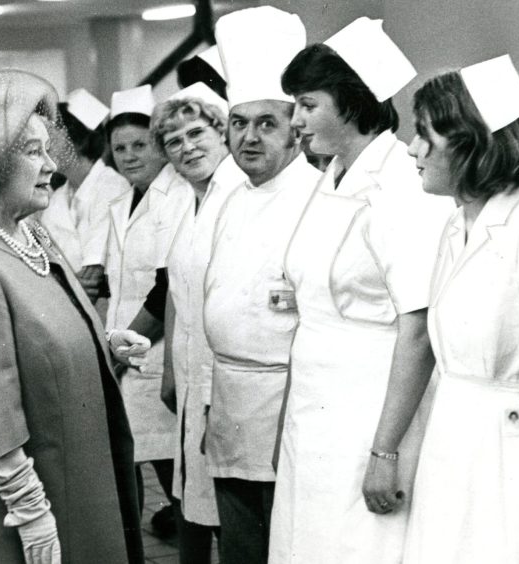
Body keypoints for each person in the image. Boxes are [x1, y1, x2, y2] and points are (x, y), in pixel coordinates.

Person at [0, 69, 145, 564]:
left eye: (48, 148)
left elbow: (40, 342)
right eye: (32, 151)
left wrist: (102, 349)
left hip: (70, 476)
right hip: (21, 510)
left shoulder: (30, 234)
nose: (51, 164)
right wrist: (31, 515)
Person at [268, 19, 452, 564]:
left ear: (352, 102)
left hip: (370, 415)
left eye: (307, 105)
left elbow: (417, 330)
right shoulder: (332, 177)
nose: (295, 121)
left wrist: (385, 450)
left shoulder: (401, 188)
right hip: (315, 412)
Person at [401, 56, 519, 564]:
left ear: (470, 141)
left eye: (425, 135)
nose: (413, 149)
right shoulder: (455, 226)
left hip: (512, 451)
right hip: (452, 440)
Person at [202, 8, 318, 563]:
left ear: (297, 127)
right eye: (238, 123)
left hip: (286, 404)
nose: (249, 137)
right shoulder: (228, 200)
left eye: (266, 123)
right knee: (240, 546)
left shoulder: (320, 199)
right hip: (229, 402)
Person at [154, 84, 245, 564]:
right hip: (192, 373)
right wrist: (172, 369)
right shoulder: (183, 202)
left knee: (231, 507)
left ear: (222, 133)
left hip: (228, 377)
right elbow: (174, 288)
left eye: (196, 133)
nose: (187, 147)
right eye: (174, 142)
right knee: (194, 493)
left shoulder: (238, 194)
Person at [105, 84, 191, 535]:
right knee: (140, 461)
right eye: (119, 148)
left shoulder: (174, 198)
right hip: (130, 352)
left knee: (170, 471)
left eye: (140, 144)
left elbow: (165, 288)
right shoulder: (122, 202)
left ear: (160, 145)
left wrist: (123, 345)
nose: (128, 155)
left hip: (153, 353)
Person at [40, 88, 130, 303]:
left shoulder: (113, 186)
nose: (43, 147)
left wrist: (64, 286)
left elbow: (93, 273)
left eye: (50, 138)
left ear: (78, 139)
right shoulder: (58, 197)